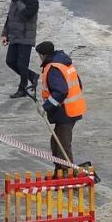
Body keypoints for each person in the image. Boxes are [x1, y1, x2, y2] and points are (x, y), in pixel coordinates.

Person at [36, 41, 86, 171]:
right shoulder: (64, 63)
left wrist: (45, 107)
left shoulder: (53, 68)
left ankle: (67, 173)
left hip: (66, 112)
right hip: (72, 109)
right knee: (56, 141)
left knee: (63, 145)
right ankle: (59, 170)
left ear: (42, 55)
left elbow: (61, 91)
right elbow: (78, 84)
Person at [1, 0, 39, 98]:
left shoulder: (32, 1)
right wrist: (5, 33)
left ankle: (22, 89)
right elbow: (10, 17)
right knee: (10, 61)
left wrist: (19, 1)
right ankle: (32, 76)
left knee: (22, 64)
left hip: (26, 36)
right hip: (14, 35)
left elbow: (25, 16)